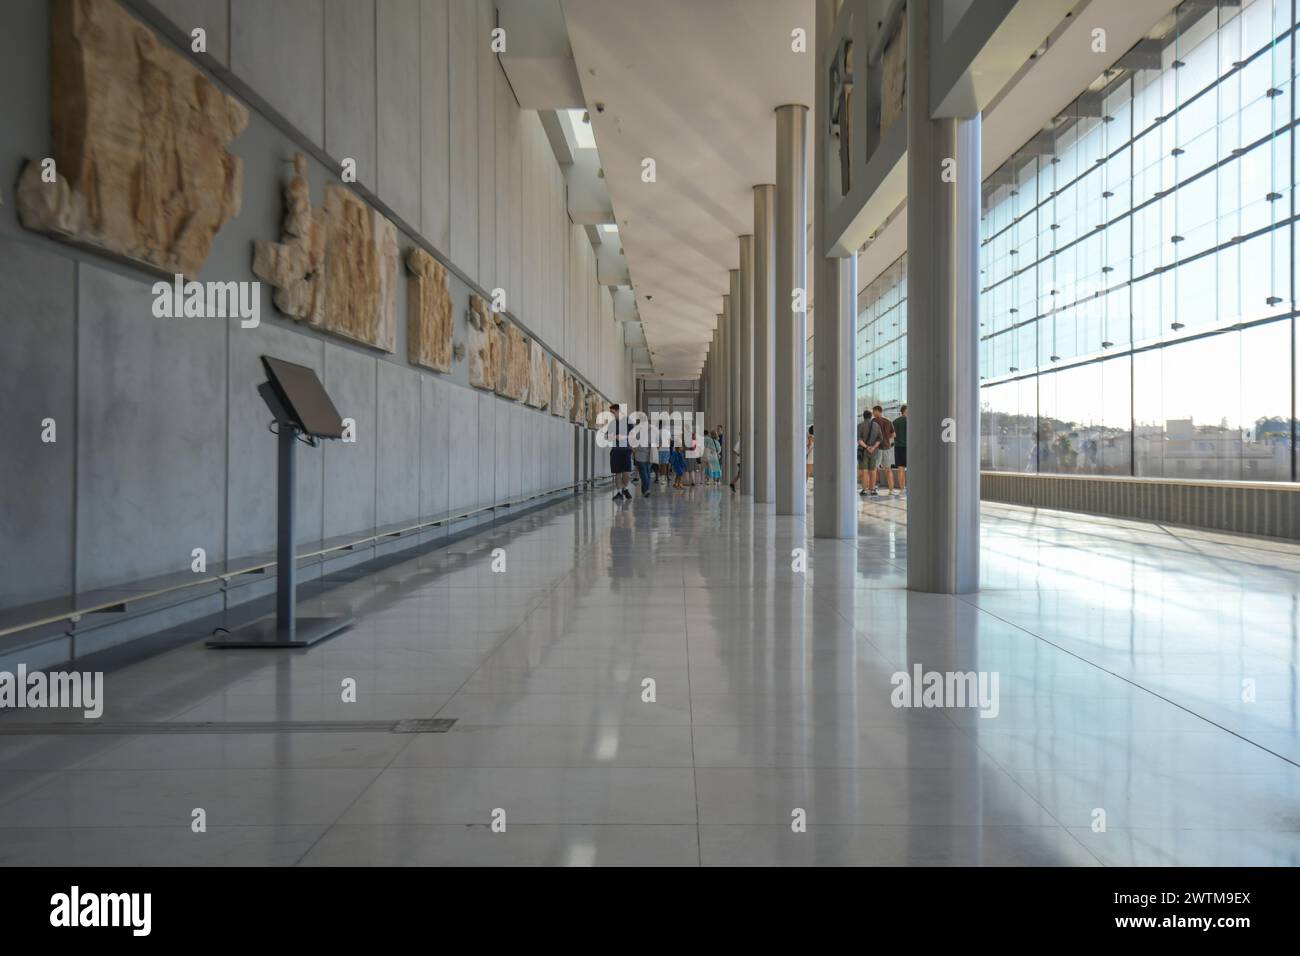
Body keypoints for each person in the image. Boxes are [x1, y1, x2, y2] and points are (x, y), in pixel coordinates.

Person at [607, 403, 633, 500]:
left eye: (613, 412)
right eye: (611, 413)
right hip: (616, 450)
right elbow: (607, 436)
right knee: (617, 472)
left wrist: (623, 437)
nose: (612, 414)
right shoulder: (612, 423)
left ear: (618, 411)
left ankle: (625, 489)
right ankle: (619, 493)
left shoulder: (628, 421)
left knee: (626, 472)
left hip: (626, 450)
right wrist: (614, 437)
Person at [857, 408, 883, 497]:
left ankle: (864, 489)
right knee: (873, 470)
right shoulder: (876, 425)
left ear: (863, 416)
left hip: (864, 451)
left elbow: (859, 440)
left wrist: (867, 447)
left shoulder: (860, 425)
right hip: (874, 452)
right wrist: (873, 447)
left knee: (864, 471)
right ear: (871, 416)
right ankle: (872, 490)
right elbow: (880, 439)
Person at [875, 407, 896, 495]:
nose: (873, 414)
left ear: (877, 412)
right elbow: (894, 435)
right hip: (886, 447)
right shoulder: (888, 421)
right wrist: (887, 439)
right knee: (888, 469)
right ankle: (891, 490)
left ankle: (873, 488)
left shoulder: (873, 421)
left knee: (873, 469)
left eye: (874, 412)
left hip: (877, 447)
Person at [632, 430, 654, 497]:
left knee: (644, 474)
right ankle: (645, 490)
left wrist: (634, 453)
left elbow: (634, 445)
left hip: (640, 456)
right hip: (650, 456)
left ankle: (646, 490)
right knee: (647, 473)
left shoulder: (638, 433)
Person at [892, 404, 907, 495]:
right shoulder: (910, 421)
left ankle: (902, 489)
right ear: (906, 411)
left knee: (900, 468)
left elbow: (893, 435)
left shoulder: (895, 421)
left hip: (898, 447)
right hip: (908, 447)